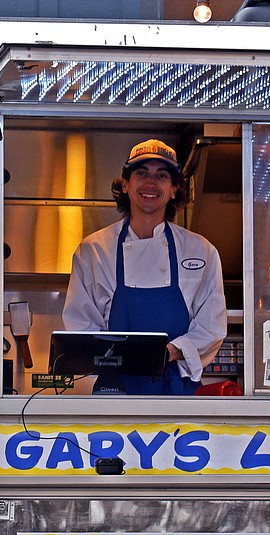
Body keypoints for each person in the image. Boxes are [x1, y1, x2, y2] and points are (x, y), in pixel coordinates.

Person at [63, 139, 227, 395]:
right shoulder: (93, 251)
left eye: (162, 175)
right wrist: (123, 354)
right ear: (125, 183)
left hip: (178, 389)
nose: (150, 183)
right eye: (141, 173)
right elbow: (80, 327)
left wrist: (167, 352)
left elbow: (212, 326)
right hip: (114, 389)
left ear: (174, 189)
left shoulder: (201, 251)